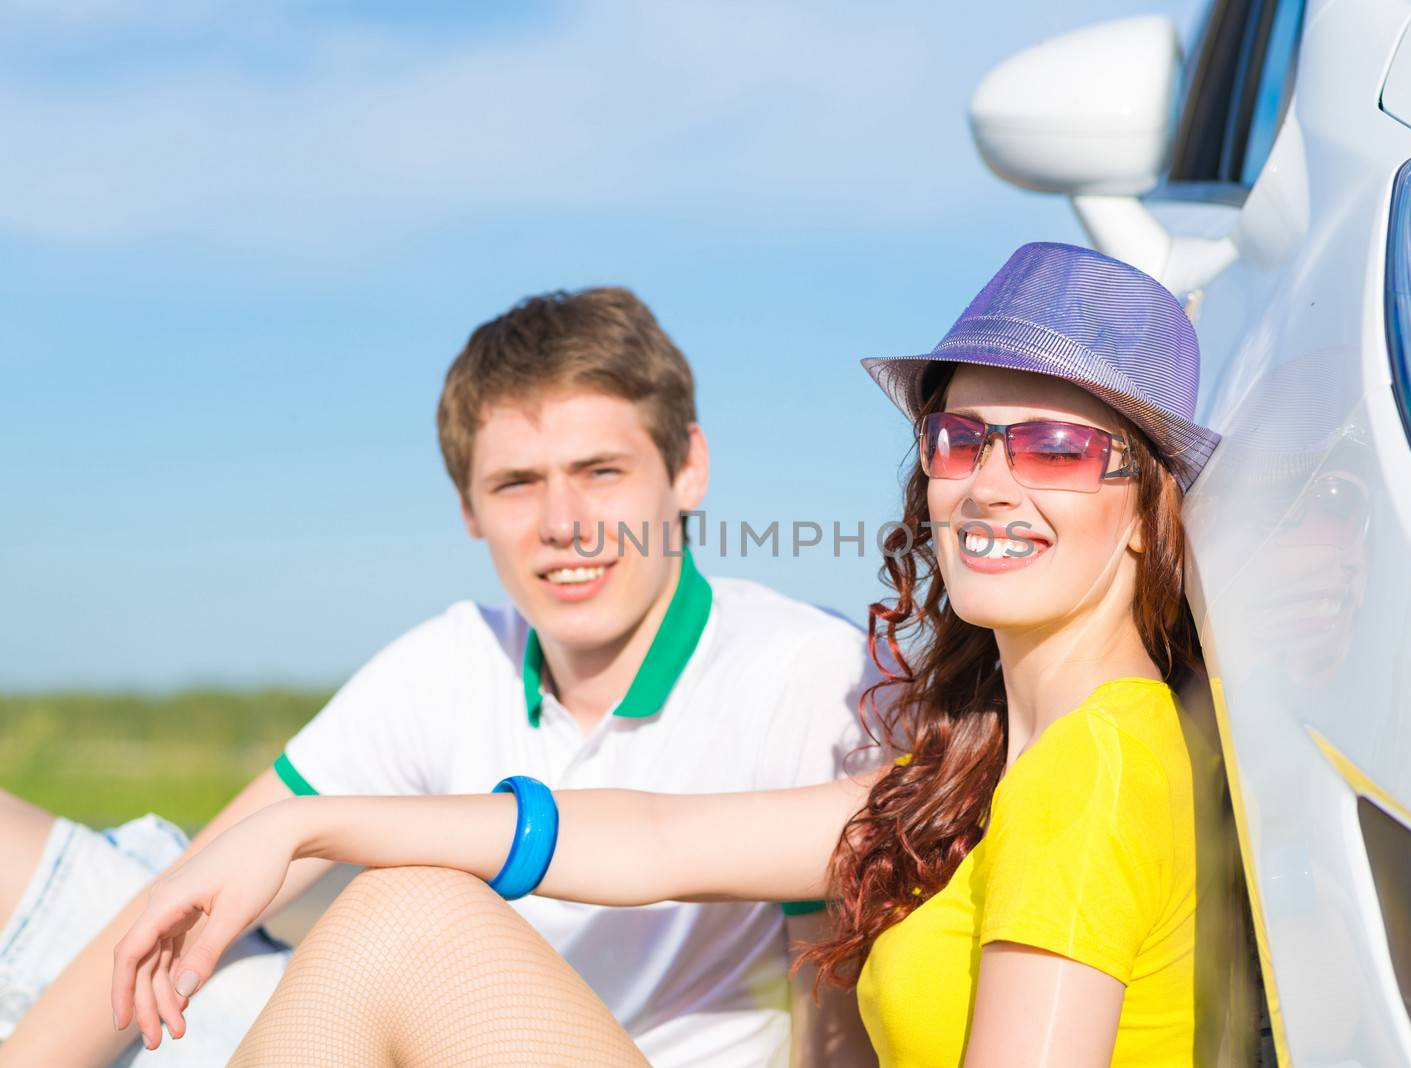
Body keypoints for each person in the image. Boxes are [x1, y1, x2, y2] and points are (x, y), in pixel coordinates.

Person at [111, 242, 1223, 1066]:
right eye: (958, 437)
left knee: (401, 924)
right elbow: (647, 837)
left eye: (1059, 448)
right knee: (397, 910)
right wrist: (303, 824)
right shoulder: (972, 773)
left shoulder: (1095, 768)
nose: (988, 481)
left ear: (1143, 510)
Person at [0, 287, 877, 1067]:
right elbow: (190, 893)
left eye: (601, 473)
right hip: (400, 1036)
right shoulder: (454, 661)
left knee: (402, 909)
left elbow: (836, 1022)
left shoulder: (800, 669)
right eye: (517, 484)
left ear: (688, 468)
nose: (565, 524)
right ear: (467, 507)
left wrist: (311, 829)